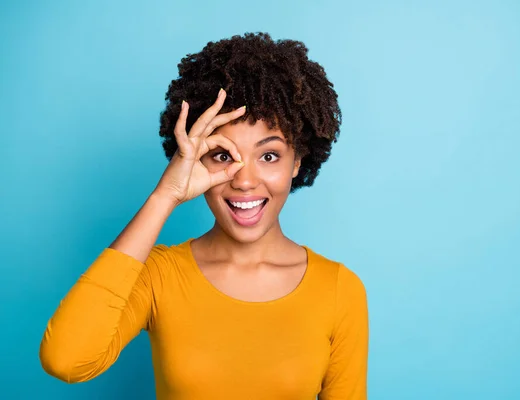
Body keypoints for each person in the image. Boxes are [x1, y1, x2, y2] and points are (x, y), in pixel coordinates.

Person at [39, 32, 369, 399]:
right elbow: (66, 359)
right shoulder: (159, 275)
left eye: (269, 156)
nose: (244, 181)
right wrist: (165, 195)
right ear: (197, 161)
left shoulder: (339, 290)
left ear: (298, 162)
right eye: (224, 155)